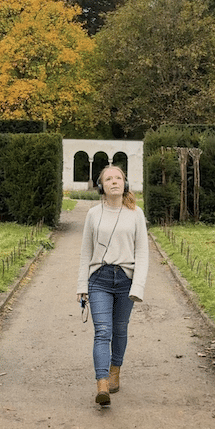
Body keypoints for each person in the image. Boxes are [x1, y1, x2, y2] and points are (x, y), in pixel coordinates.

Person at [77, 165, 149, 406]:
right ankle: (102, 384)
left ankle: (115, 371)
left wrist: (138, 286)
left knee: (119, 330)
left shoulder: (136, 213)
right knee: (103, 332)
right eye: (109, 179)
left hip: (125, 280)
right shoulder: (93, 215)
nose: (114, 182)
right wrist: (81, 286)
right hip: (99, 278)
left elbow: (142, 252)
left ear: (125, 184)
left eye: (118, 178)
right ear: (102, 186)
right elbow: (85, 252)